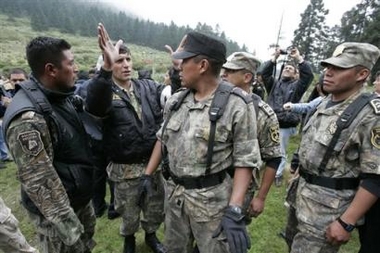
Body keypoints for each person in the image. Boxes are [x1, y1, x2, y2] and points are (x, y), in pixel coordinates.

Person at [140, 31, 260, 253]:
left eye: (185, 60)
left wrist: (234, 208)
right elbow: (162, 138)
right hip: (175, 200)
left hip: (212, 205)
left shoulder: (237, 105)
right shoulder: (176, 101)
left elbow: (246, 160)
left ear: (203, 65)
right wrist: (147, 174)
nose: (178, 66)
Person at [3, 36, 97, 253]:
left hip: (76, 200)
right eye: (71, 63)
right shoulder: (27, 120)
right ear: (51, 69)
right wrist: (73, 235)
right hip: (59, 219)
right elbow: (41, 183)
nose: (76, 68)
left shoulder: (58, 95)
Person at [289, 42, 380, 253]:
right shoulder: (324, 102)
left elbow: (375, 176)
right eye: (328, 66)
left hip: (327, 212)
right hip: (301, 198)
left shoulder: (370, 115)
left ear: (362, 74)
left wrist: (346, 221)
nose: (328, 73)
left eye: (339, 68)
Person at [86, 24, 167, 253]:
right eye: (120, 61)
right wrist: (104, 71)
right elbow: (94, 106)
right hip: (124, 169)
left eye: (128, 59)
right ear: (110, 63)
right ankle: (129, 239)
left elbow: (170, 95)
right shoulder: (104, 91)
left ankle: (151, 236)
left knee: (153, 208)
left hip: (152, 164)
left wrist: (178, 72)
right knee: (128, 210)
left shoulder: (147, 87)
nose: (126, 65)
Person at [221, 52, 282, 218]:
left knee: (228, 237)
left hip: (239, 188)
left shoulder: (263, 114)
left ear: (247, 77)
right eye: (224, 70)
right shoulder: (215, 103)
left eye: (230, 71)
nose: (223, 74)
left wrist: (261, 197)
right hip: (210, 186)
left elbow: (274, 157)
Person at [261, 47, 314, 186]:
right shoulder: (273, 84)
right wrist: (274, 59)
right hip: (269, 121)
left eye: (291, 69)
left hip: (285, 124)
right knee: (264, 146)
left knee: (280, 150)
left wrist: (298, 59)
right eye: (286, 68)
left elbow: (308, 76)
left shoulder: (297, 86)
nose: (287, 69)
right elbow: (264, 74)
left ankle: (277, 175)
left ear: (296, 74)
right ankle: (262, 169)